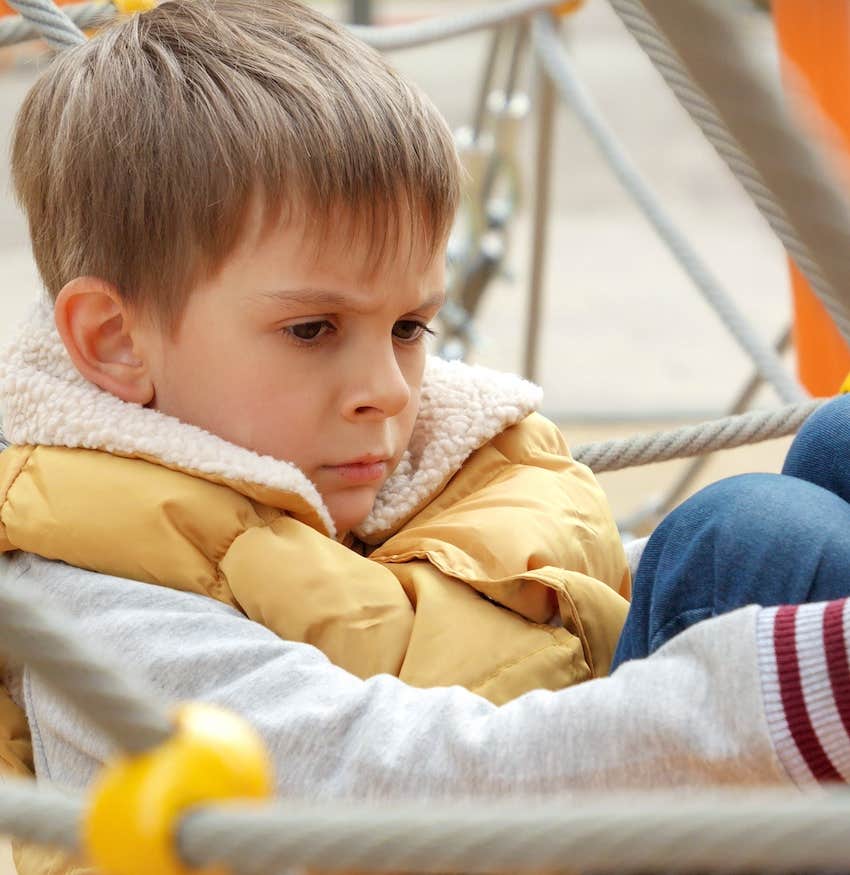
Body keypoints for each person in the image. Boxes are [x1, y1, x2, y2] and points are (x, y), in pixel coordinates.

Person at [0, 2, 849, 872]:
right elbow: (394, 781)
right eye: (312, 329)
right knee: (744, 533)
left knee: (833, 442)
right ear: (114, 339)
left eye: (410, 326)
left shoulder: (393, 463)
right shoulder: (96, 611)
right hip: (465, 823)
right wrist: (792, 681)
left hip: (573, 786)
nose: (387, 391)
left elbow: (556, 599)